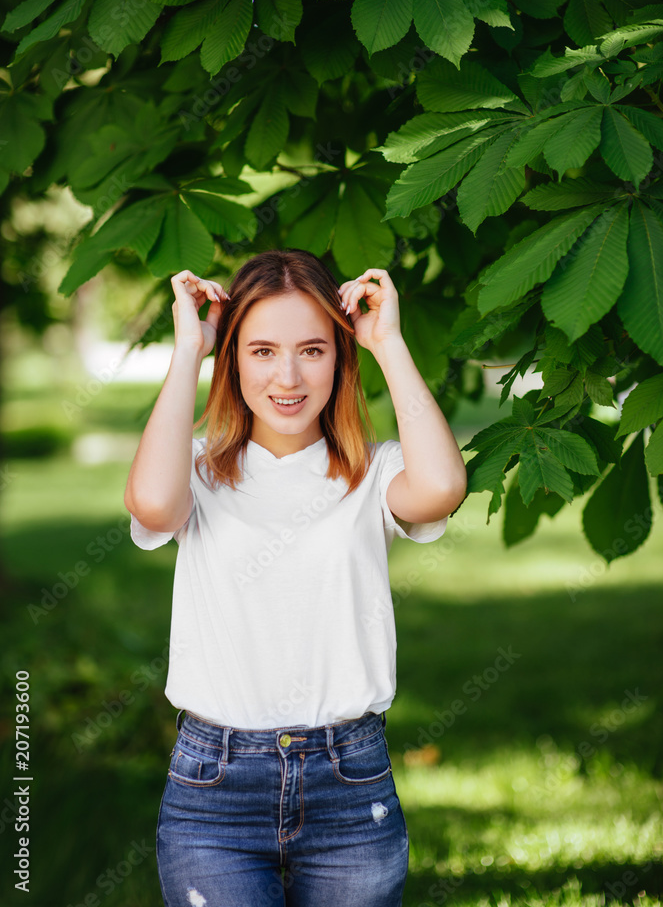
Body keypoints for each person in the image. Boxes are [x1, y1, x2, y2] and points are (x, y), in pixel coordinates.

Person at [124, 249, 467, 907]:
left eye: (312, 350)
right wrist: (188, 350)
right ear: (232, 361)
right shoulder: (194, 469)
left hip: (349, 778)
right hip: (212, 787)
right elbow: (152, 505)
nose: (288, 376)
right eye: (260, 351)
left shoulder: (374, 473)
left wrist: (387, 343)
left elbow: (442, 488)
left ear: (339, 359)